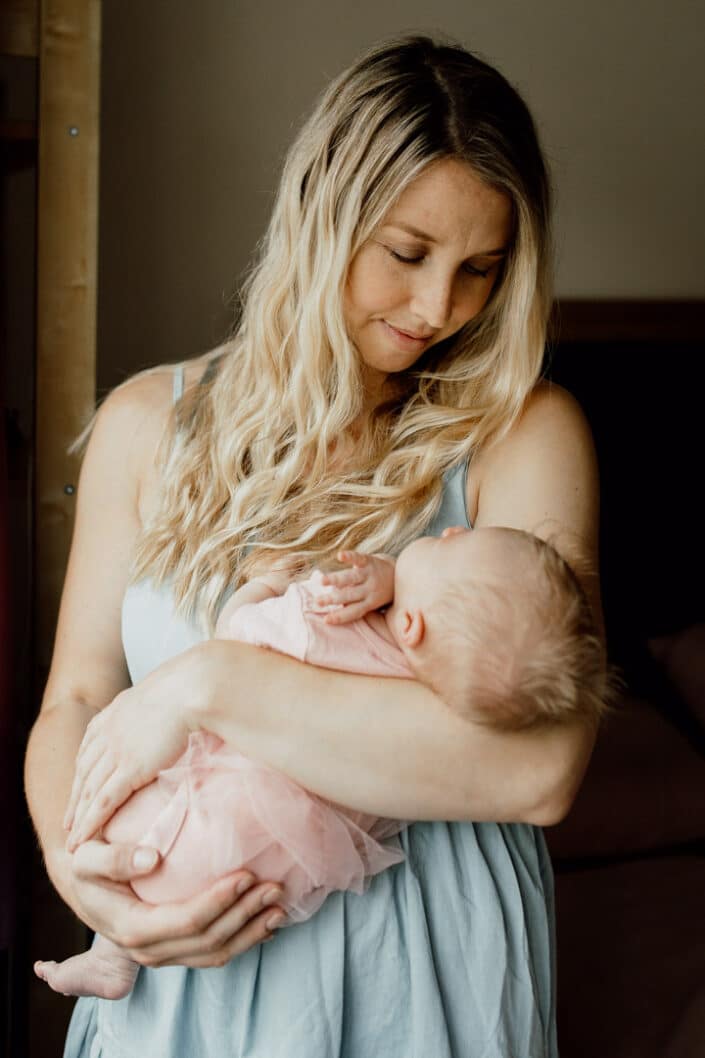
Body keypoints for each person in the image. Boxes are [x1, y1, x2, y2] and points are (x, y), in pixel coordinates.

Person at [25, 34, 606, 1058]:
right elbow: (74, 696)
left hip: (429, 975)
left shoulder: (524, 431)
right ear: (321, 216)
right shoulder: (145, 423)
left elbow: (539, 768)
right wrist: (86, 878)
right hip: (184, 964)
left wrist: (212, 682)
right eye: (406, 252)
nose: (438, 308)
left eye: (481, 269)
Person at [34, 526, 609, 1001]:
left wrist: (264, 584)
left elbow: (242, 634)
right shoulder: (433, 687)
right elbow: (73, 696)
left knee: (132, 832)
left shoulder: (333, 626)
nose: (453, 529)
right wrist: (395, 578)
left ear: (409, 623)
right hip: (274, 873)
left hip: (208, 827)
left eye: (450, 543)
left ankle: (110, 950)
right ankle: (112, 951)